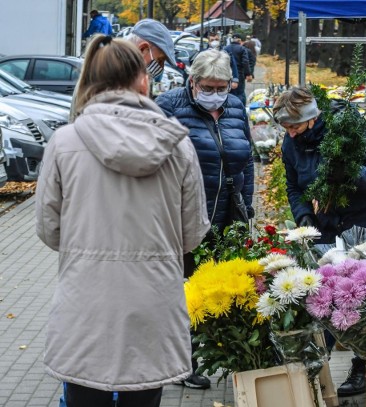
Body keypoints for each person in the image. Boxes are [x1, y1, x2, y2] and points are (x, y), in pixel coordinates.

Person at [35, 34, 210, 407]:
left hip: (86, 303)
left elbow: (49, 229)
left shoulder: (64, 142)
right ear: (143, 80)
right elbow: (193, 233)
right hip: (153, 304)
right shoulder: (178, 144)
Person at [273, 87, 366, 396]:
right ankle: (314, 373)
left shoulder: (349, 128)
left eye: (294, 126)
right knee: (335, 296)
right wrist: (304, 217)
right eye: (285, 128)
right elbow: (294, 186)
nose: (290, 134)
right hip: (332, 225)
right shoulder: (291, 143)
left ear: (312, 118)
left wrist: (347, 173)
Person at [156, 49, 255, 389]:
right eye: (208, 86)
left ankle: (222, 355)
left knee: (219, 286)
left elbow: (248, 159)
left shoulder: (236, 107)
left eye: (222, 86)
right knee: (185, 291)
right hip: (183, 216)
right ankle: (183, 364)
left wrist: (248, 202)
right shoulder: (169, 105)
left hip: (228, 211)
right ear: (193, 82)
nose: (215, 93)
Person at [71, 19, 176, 121]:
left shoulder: (110, 71)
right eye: (160, 60)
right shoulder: (113, 80)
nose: (161, 67)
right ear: (143, 49)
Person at [224, 33, 253, 105]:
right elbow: (245, 62)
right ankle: (240, 107)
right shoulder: (242, 49)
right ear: (240, 41)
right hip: (240, 74)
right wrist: (248, 74)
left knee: (228, 92)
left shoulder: (225, 48)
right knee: (240, 93)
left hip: (227, 74)